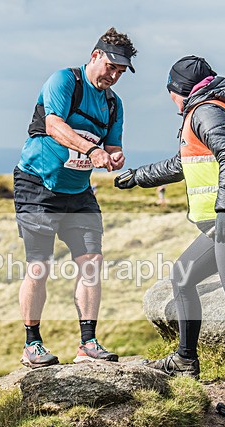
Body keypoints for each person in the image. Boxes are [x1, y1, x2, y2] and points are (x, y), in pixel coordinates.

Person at [115, 56, 225, 418]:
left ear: (179, 91)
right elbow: (182, 163)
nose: (170, 99)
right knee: (183, 276)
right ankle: (186, 360)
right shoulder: (204, 112)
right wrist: (138, 176)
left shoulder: (205, 111)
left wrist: (224, 209)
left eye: (170, 92)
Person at [14, 28, 137, 368]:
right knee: (39, 267)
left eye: (120, 72)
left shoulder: (114, 104)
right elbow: (53, 125)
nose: (113, 76)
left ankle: (88, 343)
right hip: (37, 184)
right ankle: (32, 343)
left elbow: (113, 145)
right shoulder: (65, 80)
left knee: (92, 263)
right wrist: (92, 149)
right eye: (110, 66)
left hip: (79, 191)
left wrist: (114, 156)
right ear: (95, 55)